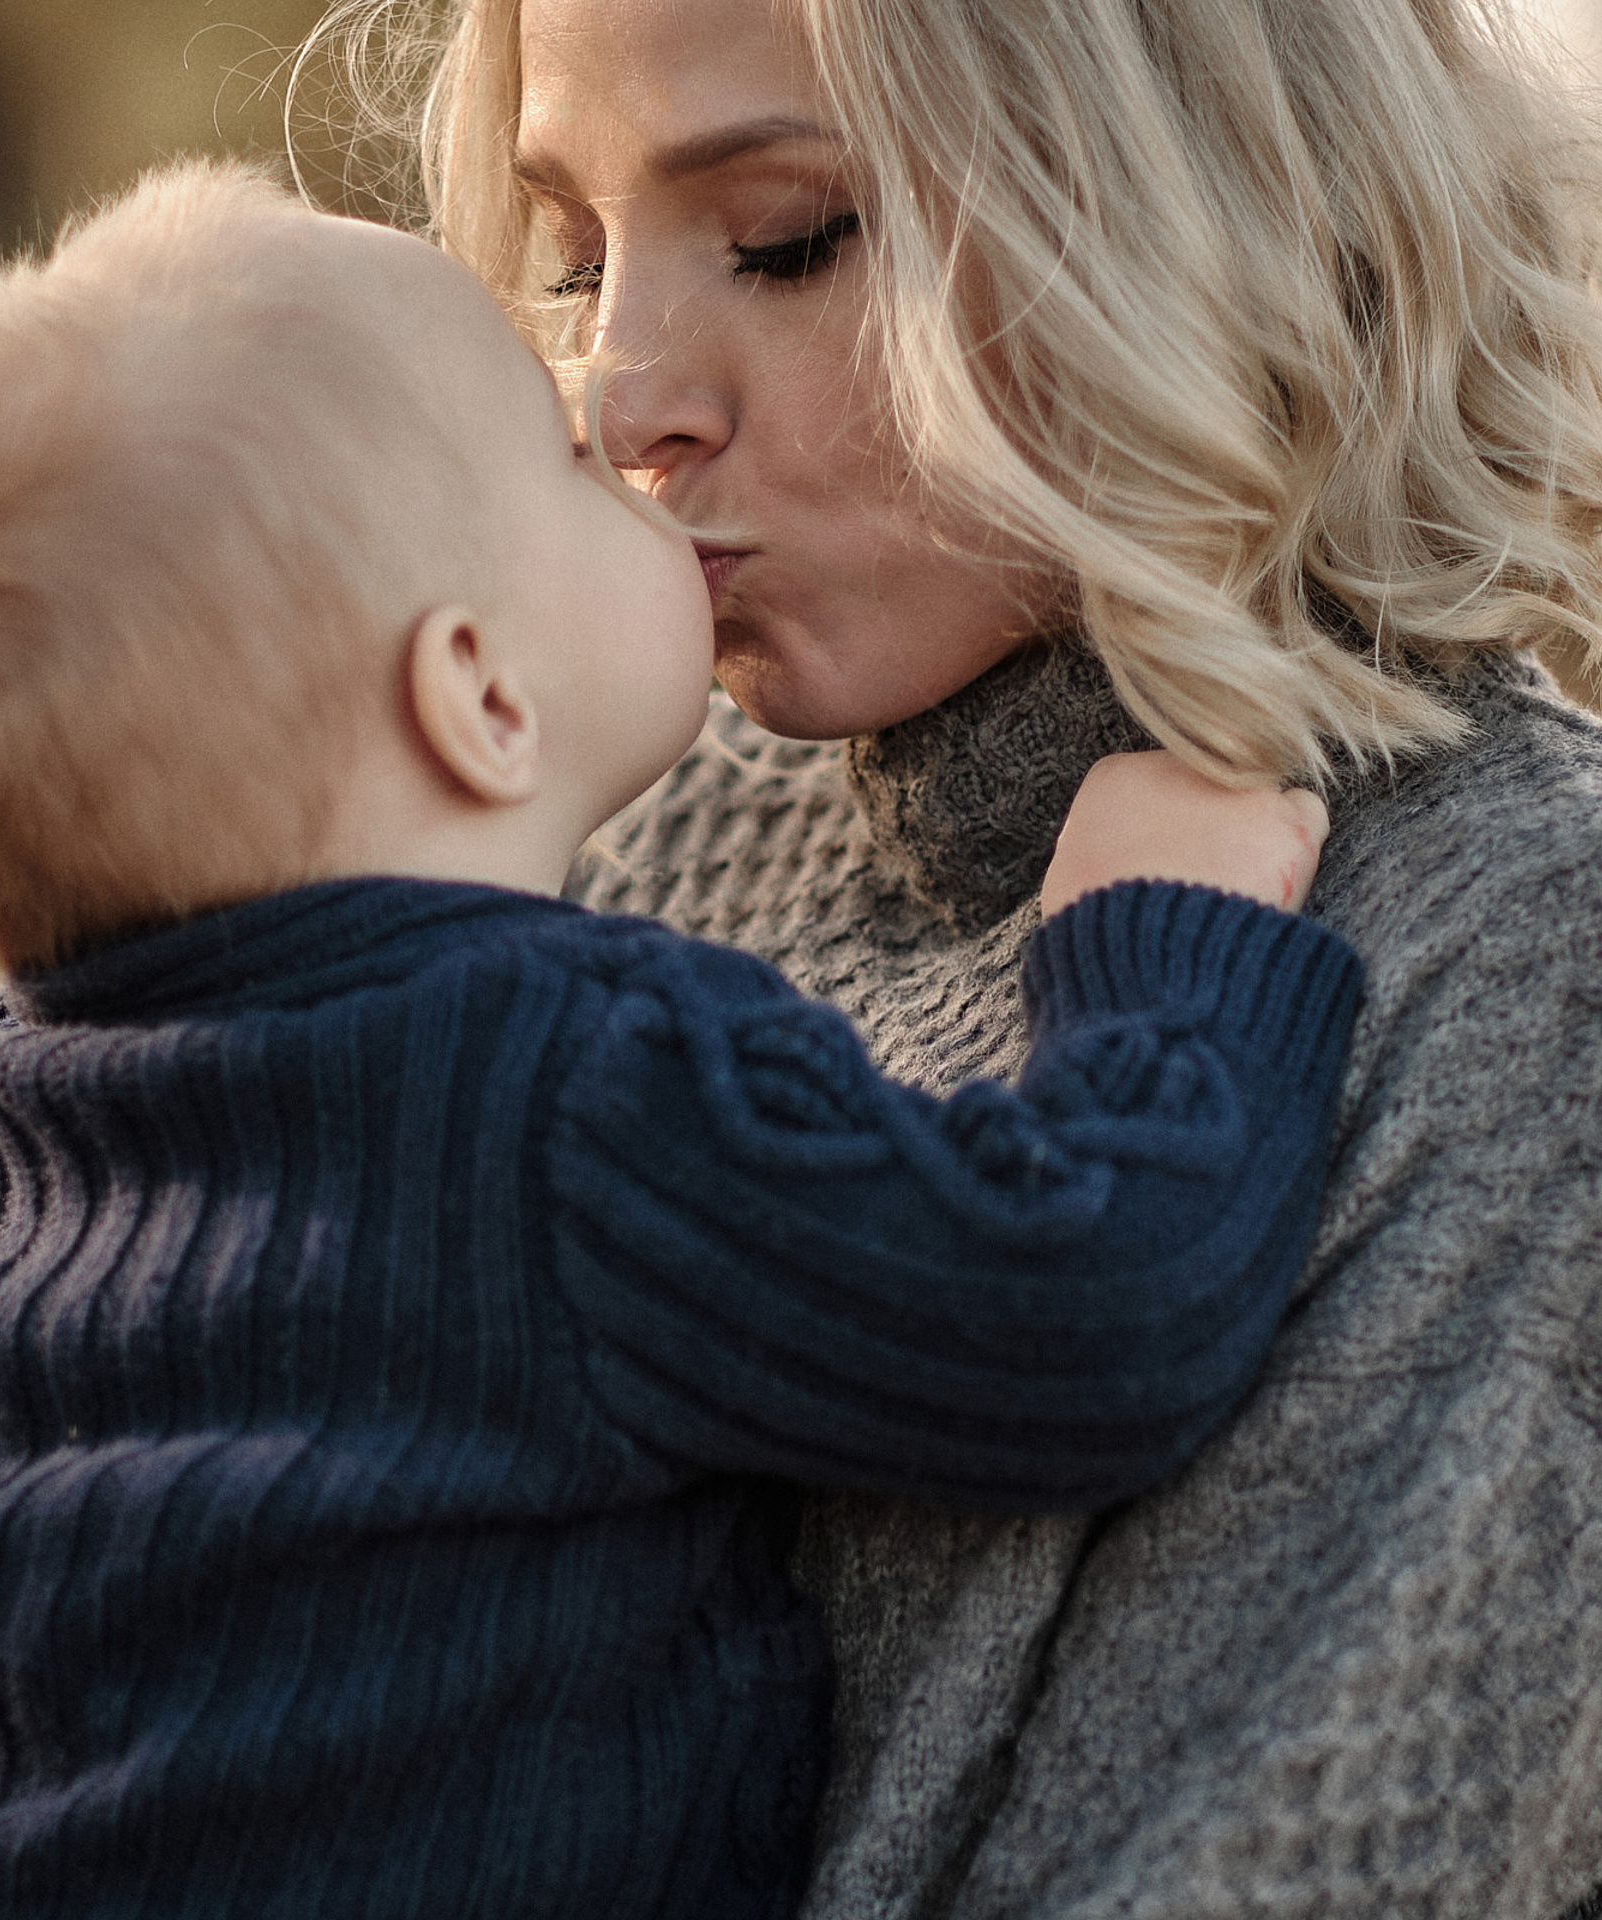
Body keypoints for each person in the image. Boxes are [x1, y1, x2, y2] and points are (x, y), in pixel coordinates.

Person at [0, 161, 1356, 1919]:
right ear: (478, 697)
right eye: (561, 465)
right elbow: (1078, 1308)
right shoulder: (567, 1085)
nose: (626, 432)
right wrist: (1162, 946)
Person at [329, 0, 1596, 1914]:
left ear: (1199, 193)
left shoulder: (1529, 953)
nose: (623, 388)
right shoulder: (642, 830)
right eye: (580, 256)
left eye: (781, 237)